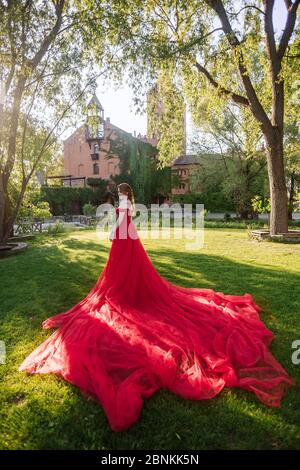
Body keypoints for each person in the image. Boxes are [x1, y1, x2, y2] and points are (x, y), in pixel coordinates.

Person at [19, 182, 295, 432]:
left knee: (132, 292)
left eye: (121, 193)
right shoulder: (124, 205)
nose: (119, 195)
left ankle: (130, 293)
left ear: (125, 194)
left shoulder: (125, 205)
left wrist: (117, 230)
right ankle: (129, 291)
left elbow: (123, 226)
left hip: (125, 247)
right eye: (120, 193)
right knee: (128, 284)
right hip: (126, 247)